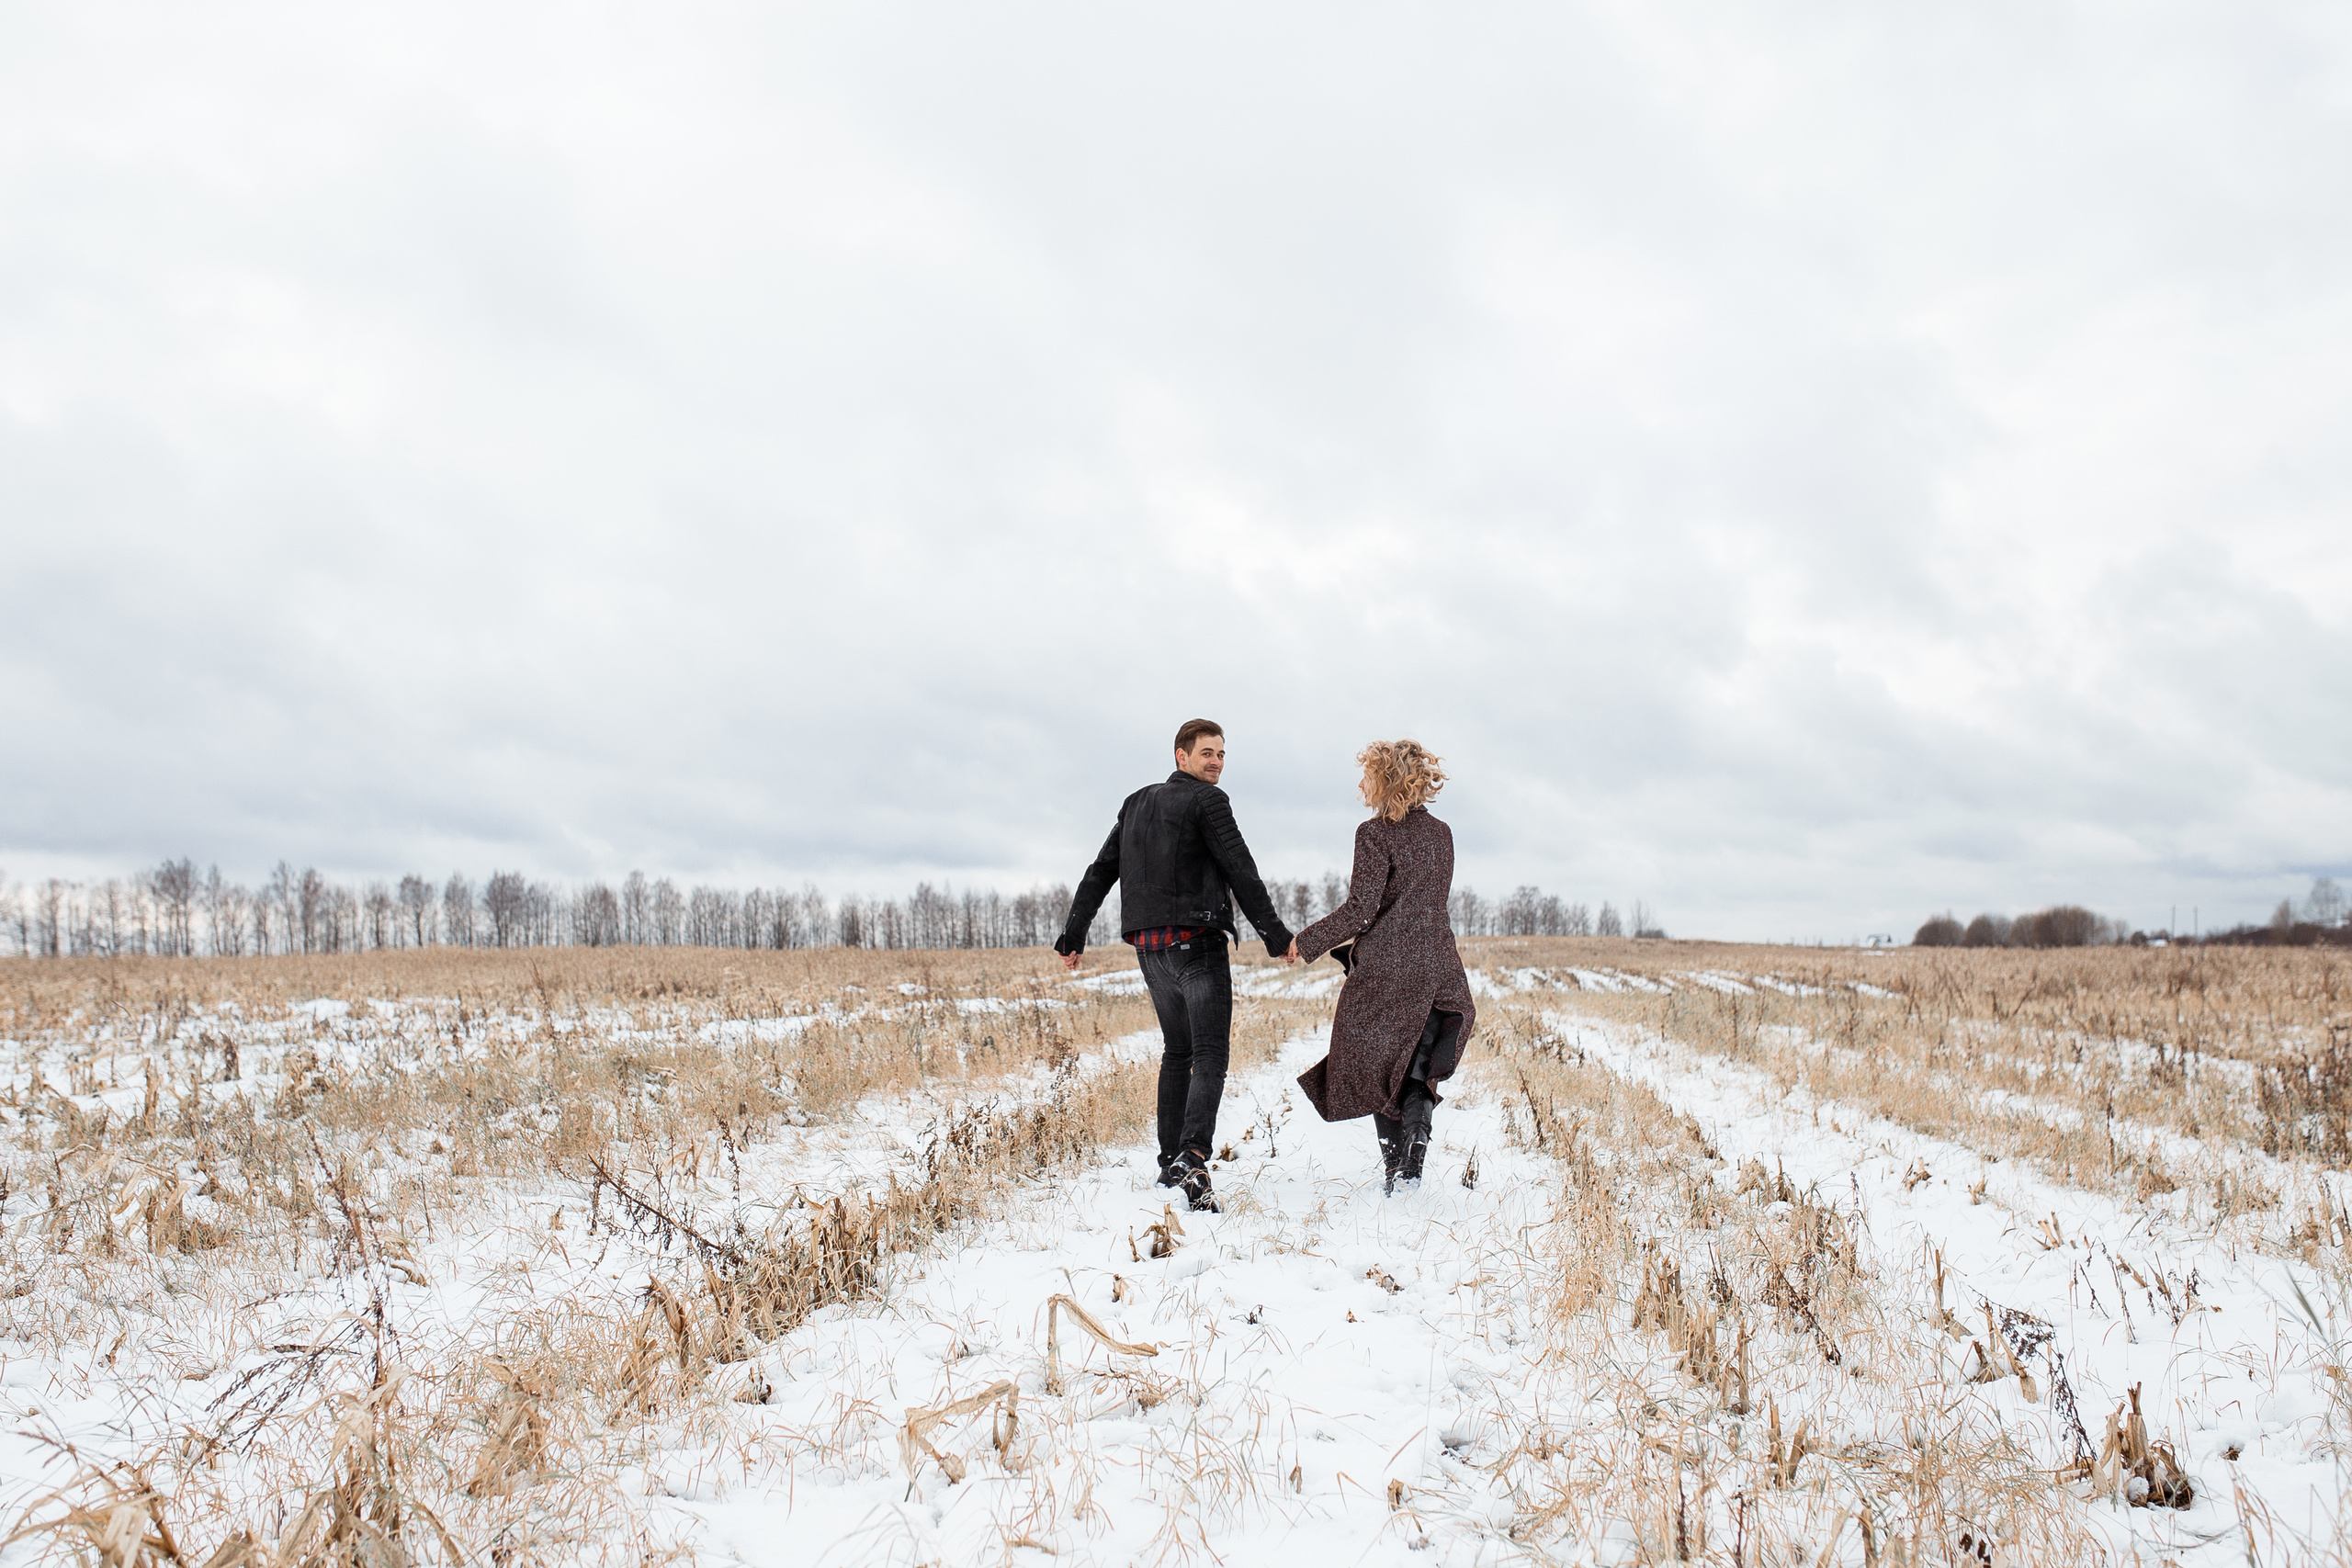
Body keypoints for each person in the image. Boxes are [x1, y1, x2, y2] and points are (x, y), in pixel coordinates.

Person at [1057, 719, 1295, 1212]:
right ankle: (1192, 1153)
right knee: (1208, 1053)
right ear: (1180, 756)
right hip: (1195, 942)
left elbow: (1100, 871)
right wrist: (1276, 936)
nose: (1216, 762)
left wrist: (1073, 933)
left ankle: (1169, 1163)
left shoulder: (1136, 803)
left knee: (1178, 1051)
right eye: (1206, 752)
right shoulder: (1208, 801)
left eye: (1222, 754)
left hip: (1150, 949)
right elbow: (1240, 868)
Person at [1288, 740, 1476, 1192]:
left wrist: (1305, 941)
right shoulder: (1442, 832)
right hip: (1437, 961)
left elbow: (1361, 910)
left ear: (1386, 780)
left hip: (1385, 964)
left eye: (1367, 775)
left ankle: (1396, 1165)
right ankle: (1415, 1140)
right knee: (1418, 1055)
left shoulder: (1373, 834)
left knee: (1377, 1060)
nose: (1360, 784)